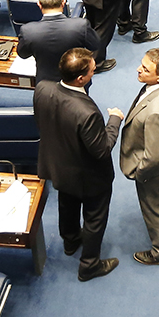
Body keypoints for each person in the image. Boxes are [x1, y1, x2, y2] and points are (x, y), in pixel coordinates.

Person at [35, 48, 125, 282]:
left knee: (67, 205)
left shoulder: (42, 88)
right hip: (89, 177)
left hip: (57, 166)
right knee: (94, 219)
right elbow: (102, 149)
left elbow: (43, 123)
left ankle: (71, 241)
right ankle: (89, 265)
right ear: (81, 78)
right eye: (93, 70)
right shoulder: (87, 112)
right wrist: (114, 120)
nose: (95, 72)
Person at [120, 48, 159, 266]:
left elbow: (153, 156)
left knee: (154, 207)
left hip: (153, 168)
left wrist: (140, 173)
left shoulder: (157, 111)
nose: (139, 69)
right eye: (142, 64)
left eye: (145, 69)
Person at [19, 0, 101, 86]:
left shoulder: (28, 31)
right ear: (63, 3)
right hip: (75, 81)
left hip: (45, 83)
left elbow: (23, 54)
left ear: (39, 4)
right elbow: (95, 45)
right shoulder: (81, 26)